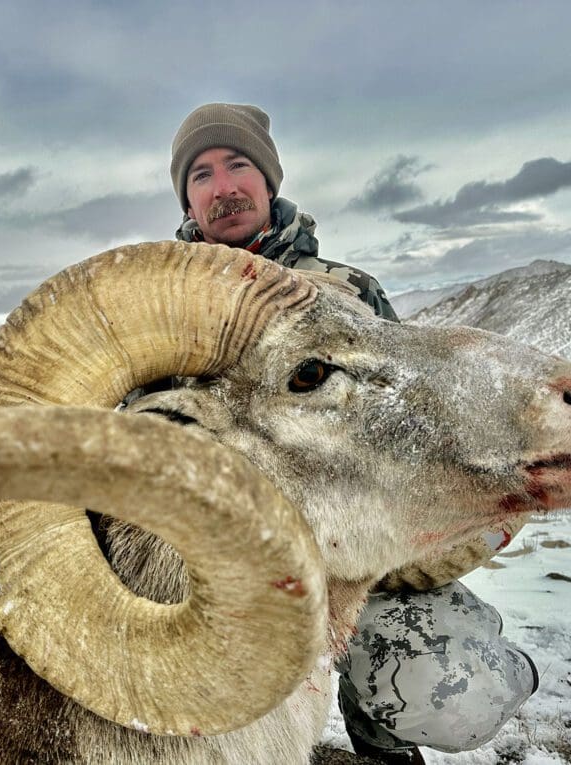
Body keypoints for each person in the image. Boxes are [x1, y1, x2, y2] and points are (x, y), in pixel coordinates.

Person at [169, 103, 538, 763]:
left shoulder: (349, 294)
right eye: (201, 173)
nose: (223, 185)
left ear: (268, 180)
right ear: (187, 197)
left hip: (343, 540)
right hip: (206, 561)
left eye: (239, 164)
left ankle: (379, 727)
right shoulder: (156, 303)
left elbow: (413, 419)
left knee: (456, 695)